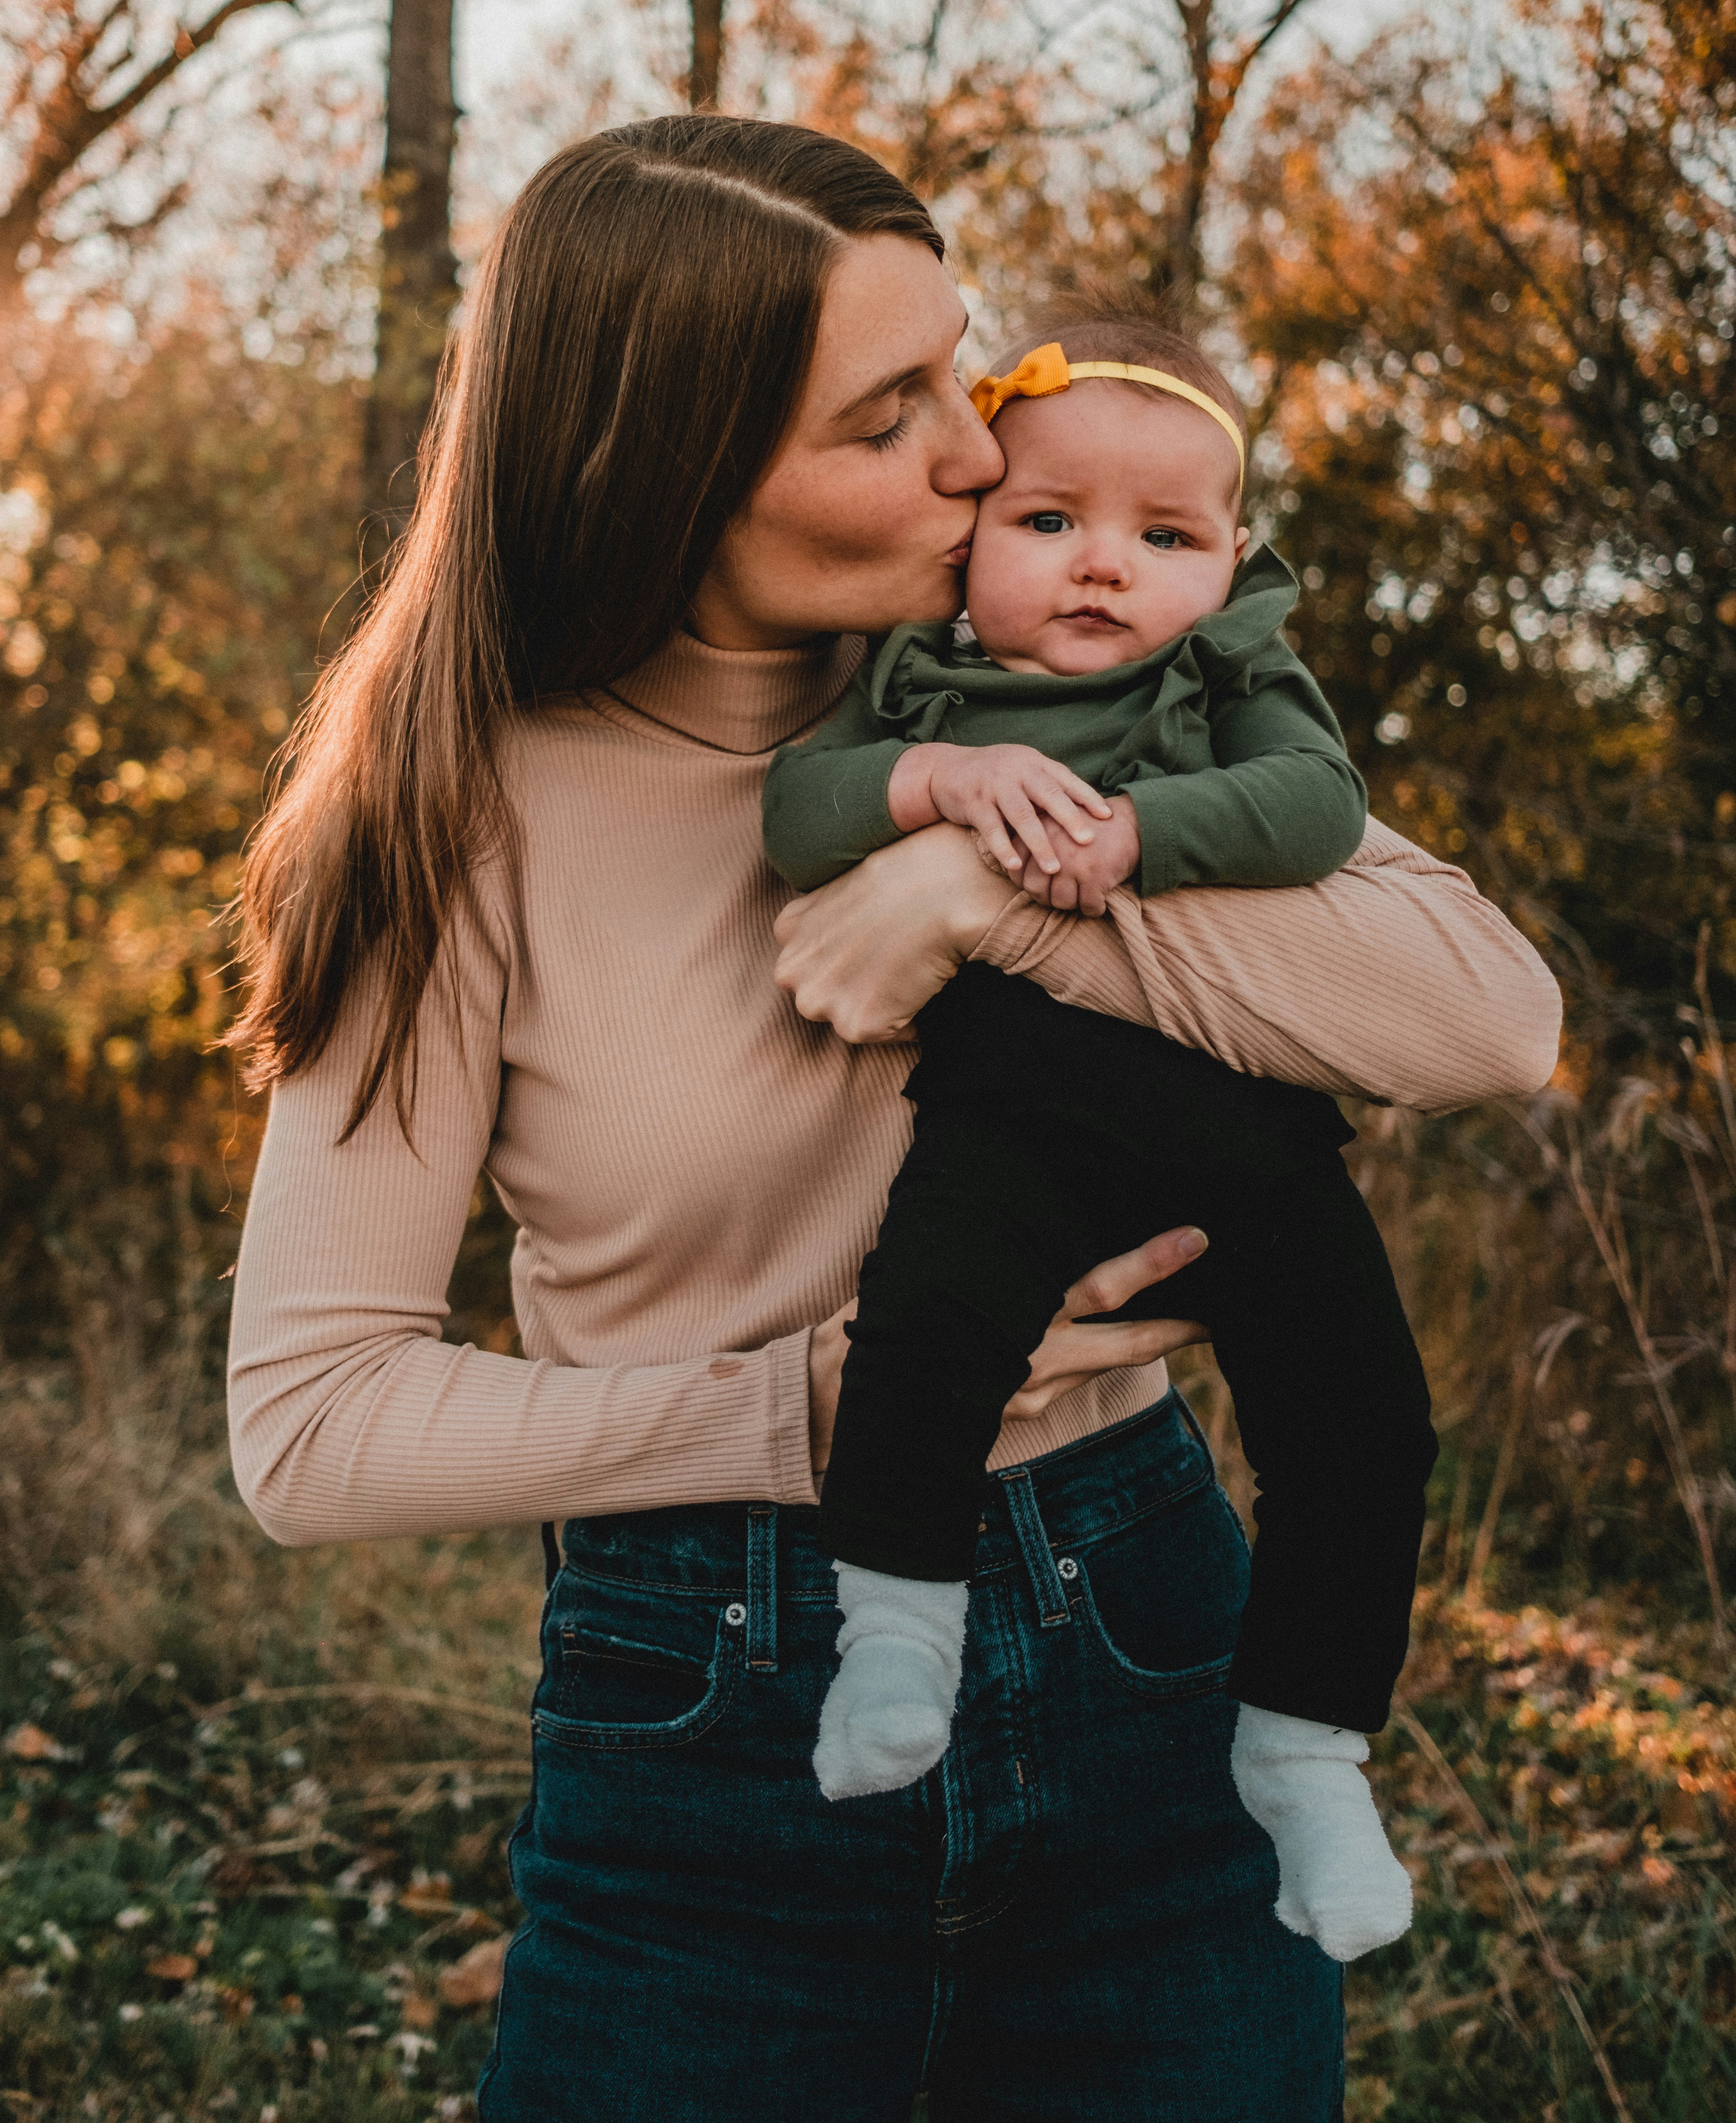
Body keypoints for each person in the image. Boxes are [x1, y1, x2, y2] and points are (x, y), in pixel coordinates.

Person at [225, 115, 1562, 2122]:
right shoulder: (458, 814)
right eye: (891, 413)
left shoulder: (1044, 672)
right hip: (719, 1702)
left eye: (962, 363)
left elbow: (1491, 1014)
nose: (979, 448)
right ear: (675, 466)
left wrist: (979, 888)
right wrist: (807, 1411)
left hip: (1155, 1637)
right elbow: (314, 1427)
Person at [762, 314, 1432, 1965]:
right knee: (923, 1339)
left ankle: (1306, 1751)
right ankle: (897, 1640)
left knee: (1365, 1420)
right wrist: (933, 786)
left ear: (1230, 561)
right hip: (1015, 1106)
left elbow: (1314, 810)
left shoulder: (1231, 670)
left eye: (1164, 537)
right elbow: (795, 815)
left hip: (1239, 1119)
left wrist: (1139, 833)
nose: (1100, 570)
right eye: (1048, 521)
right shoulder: (919, 679)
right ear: (973, 533)